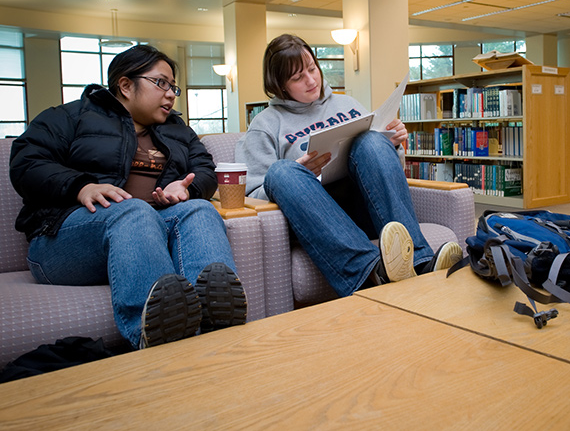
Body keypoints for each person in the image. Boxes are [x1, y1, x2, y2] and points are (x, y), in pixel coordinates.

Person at [9, 45, 247, 350]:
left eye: (173, 86)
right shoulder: (72, 116)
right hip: (64, 239)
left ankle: (219, 333)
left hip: (152, 227)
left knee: (199, 209)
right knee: (133, 211)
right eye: (161, 83)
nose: (172, 94)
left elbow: (204, 167)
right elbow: (26, 162)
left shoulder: (177, 129)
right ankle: (153, 333)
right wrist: (81, 186)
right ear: (125, 85)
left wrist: (186, 188)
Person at [235, 34, 462, 297]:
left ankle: (419, 262)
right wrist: (301, 172)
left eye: (312, 69)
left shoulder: (348, 104)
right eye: (297, 78)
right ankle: (370, 272)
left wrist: (394, 144)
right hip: (320, 222)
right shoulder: (265, 125)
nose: (311, 80)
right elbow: (251, 194)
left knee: (371, 141)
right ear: (280, 85)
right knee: (281, 171)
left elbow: (389, 170)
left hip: (366, 208)